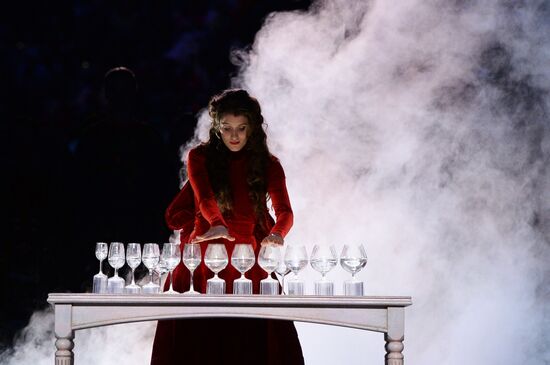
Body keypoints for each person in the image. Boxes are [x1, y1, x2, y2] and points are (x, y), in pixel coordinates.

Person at [151, 89, 304, 365]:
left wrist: (277, 233)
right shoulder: (200, 157)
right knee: (197, 341)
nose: (234, 136)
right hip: (203, 257)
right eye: (227, 128)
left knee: (250, 342)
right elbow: (205, 197)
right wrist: (217, 224)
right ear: (217, 128)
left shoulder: (269, 165)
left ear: (252, 129)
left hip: (248, 259)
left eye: (241, 129)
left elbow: (285, 211)